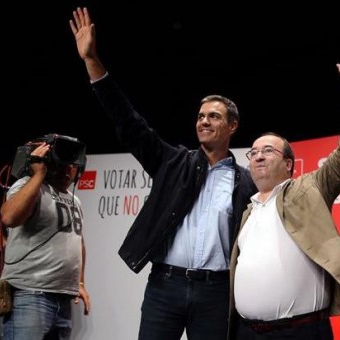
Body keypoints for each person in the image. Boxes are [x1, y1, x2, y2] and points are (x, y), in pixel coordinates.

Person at [70, 7, 257, 340]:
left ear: (232, 126)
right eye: (200, 116)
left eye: (214, 116)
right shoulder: (173, 162)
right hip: (165, 287)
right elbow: (129, 123)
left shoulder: (247, 182)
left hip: (216, 292)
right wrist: (92, 62)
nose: (203, 121)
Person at [230, 52, 340, 339]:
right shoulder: (248, 211)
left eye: (268, 151)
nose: (258, 156)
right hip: (248, 333)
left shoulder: (309, 189)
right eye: (254, 152)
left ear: (288, 164)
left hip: (301, 332)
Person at [0, 135, 90, 339]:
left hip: (62, 300)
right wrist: (38, 174)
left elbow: (78, 241)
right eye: (64, 165)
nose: (69, 170)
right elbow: (9, 217)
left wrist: (80, 283)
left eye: (73, 166)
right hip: (28, 295)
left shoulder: (74, 200)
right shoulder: (28, 186)